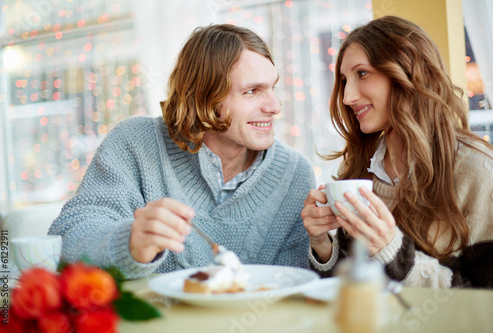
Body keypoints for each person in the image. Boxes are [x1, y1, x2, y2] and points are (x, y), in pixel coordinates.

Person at [49, 24, 315, 278]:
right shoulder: (135, 143)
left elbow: (296, 285)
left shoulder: (295, 174)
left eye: (272, 88)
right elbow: (67, 239)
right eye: (253, 91)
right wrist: (129, 243)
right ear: (205, 96)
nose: (275, 106)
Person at [302, 16, 493, 288]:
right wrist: (322, 244)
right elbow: (352, 285)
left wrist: (395, 253)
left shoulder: (476, 170)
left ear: (407, 72)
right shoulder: (362, 168)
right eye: (345, 80)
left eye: (362, 73)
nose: (347, 97)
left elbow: (483, 303)